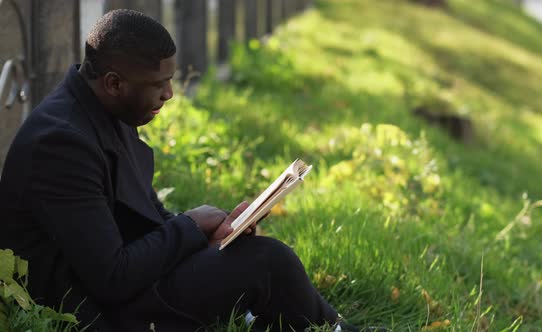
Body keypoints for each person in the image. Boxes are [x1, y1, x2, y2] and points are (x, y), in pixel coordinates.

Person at [0, 9, 341, 332]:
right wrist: (190, 225)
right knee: (267, 262)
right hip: (85, 312)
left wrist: (211, 236)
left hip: (122, 286)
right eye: (158, 84)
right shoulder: (60, 144)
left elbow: (143, 217)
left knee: (251, 254)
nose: (169, 94)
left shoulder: (104, 111)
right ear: (114, 83)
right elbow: (112, 278)